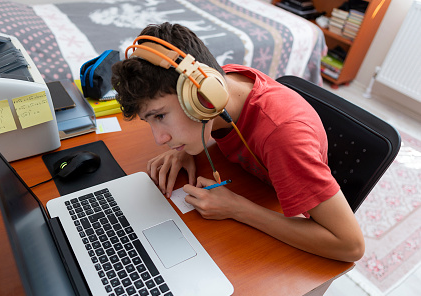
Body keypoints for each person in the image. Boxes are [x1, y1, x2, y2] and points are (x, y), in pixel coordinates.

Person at [111, 22, 364, 262]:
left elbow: (350, 245)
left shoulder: (283, 136)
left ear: (202, 96)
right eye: (150, 121)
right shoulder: (221, 84)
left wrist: (237, 209)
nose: (159, 139)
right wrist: (185, 149)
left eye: (161, 116)